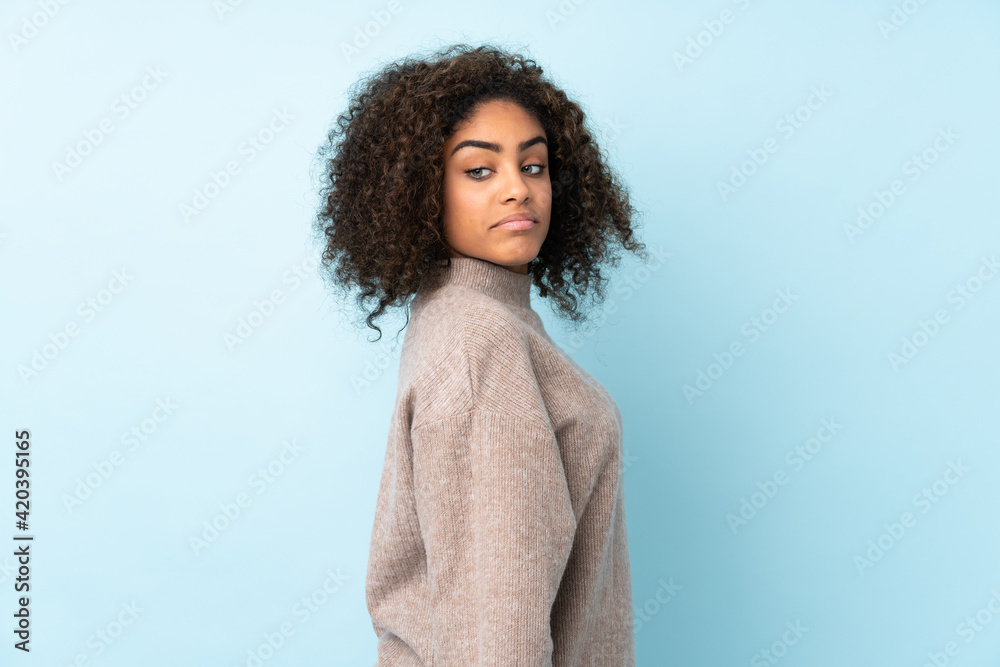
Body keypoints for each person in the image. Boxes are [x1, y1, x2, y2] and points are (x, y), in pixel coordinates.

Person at [312, 42, 649, 666]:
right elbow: (496, 623)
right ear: (419, 190)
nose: (518, 191)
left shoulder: (478, 321)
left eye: (535, 166)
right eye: (479, 170)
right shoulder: (480, 345)